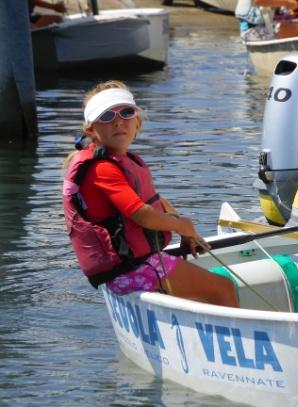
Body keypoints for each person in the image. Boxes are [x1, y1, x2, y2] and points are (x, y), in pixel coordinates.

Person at [62, 80, 239, 308]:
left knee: (203, 286)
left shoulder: (122, 161)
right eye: (106, 117)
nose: (118, 122)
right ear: (91, 129)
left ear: (138, 123)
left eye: (126, 113)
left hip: (134, 264)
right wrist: (181, 225)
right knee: (222, 287)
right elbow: (141, 214)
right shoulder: (102, 169)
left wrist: (185, 230)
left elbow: (154, 202)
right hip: (128, 271)